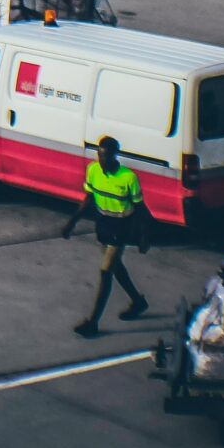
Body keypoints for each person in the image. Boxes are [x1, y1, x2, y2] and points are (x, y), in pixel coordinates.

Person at [61, 135, 151, 335]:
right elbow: (89, 199)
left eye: (107, 157)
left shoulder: (128, 177)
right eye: (100, 156)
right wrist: (72, 222)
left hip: (122, 228)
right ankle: (137, 301)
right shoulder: (93, 170)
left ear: (115, 156)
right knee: (116, 267)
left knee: (106, 272)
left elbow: (141, 209)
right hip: (103, 225)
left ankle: (93, 323)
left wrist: (144, 237)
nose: (102, 161)